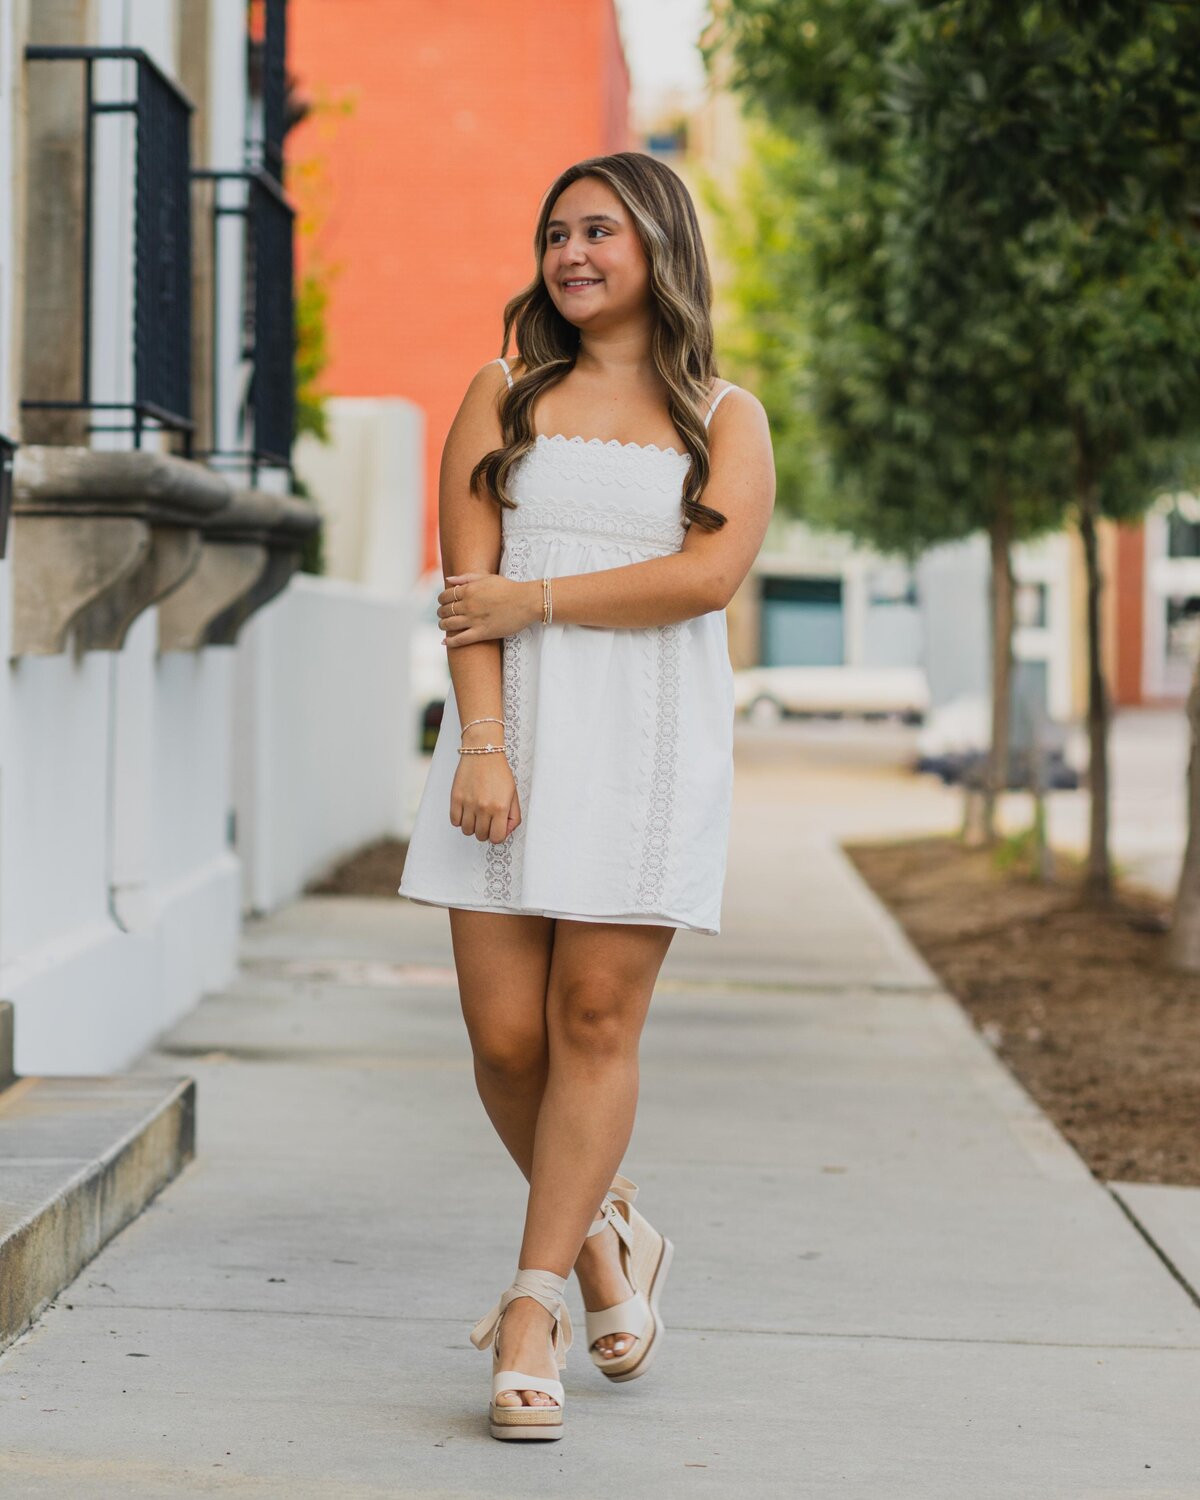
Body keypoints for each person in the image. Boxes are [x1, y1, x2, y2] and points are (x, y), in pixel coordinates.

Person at [397, 150, 775, 1441]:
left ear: (660, 245)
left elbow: (703, 583)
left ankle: (531, 1304)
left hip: (652, 749)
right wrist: (484, 745)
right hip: (515, 740)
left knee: (594, 1020)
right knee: (509, 1043)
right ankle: (610, 1232)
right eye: (556, 233)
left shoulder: (726, 414)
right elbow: (466, 590)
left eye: (600, 231)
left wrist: (540, 598)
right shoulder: (503, 392)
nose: (571, 254)